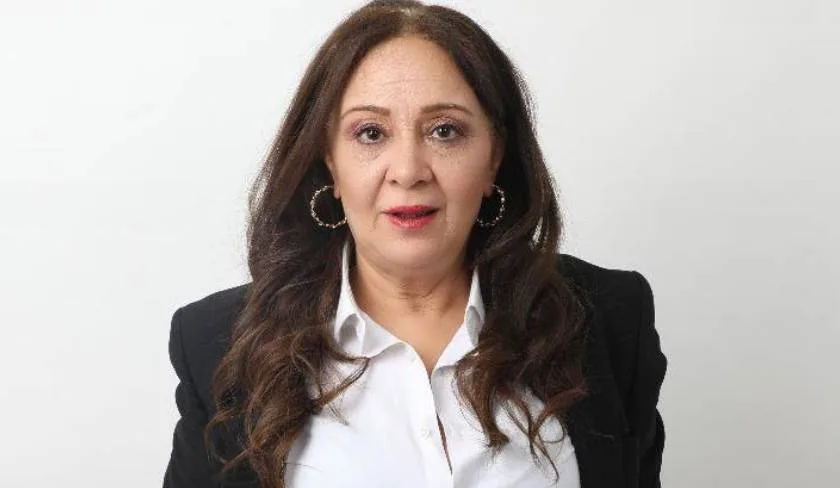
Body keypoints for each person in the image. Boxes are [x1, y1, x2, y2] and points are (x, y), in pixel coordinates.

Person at [162, 1, 667, 487]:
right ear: (329, 159)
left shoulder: (609, 319)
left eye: (445, 131)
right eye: (370, 133)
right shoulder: (216, 344)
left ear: (494, 156)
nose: (408, 171)